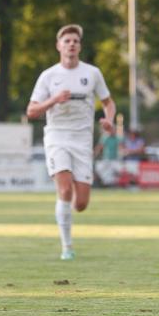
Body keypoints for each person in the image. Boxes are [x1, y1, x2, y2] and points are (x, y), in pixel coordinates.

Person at [27, 24, 116, 261]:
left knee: (81, 204)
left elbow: (108, 102)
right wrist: (53, 100)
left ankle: (68, 210)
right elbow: (31, 111)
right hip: (56, 137)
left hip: (82, 141)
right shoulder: (48, 76)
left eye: (75, 41)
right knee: (65, 189)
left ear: (80, 46)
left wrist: (109, 120)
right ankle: (67, 247)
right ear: (59, 46)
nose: (71, 44)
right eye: (67, 41)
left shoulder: (92, 73)